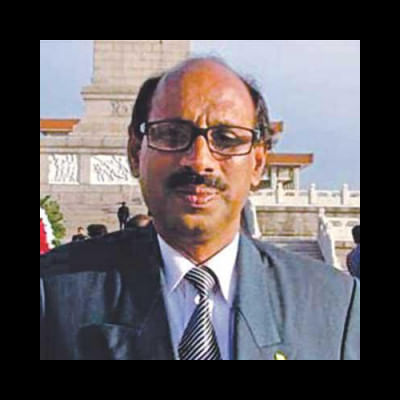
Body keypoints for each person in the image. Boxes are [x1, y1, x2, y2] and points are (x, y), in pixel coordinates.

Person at [40, 57, 360, 360]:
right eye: (172, 134)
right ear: (136, 153)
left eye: (226, 139)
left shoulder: (332, 305)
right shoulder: (54, 296)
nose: (199, 160)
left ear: (258, 163)